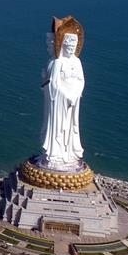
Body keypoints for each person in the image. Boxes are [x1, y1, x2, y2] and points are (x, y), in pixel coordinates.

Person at [40, 20, 85, 170]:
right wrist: (65, 95)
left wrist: (76, 93)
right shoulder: (58, 62)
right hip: (59, 101)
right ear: (63, 45)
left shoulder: (77, 62)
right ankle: (55, 155)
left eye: (74, 46)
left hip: (73, 100)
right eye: (69, 46)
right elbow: (53, 83)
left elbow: (81, 80)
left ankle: (69, 153)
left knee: (71, 127)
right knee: (59, 127)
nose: (72, 48)